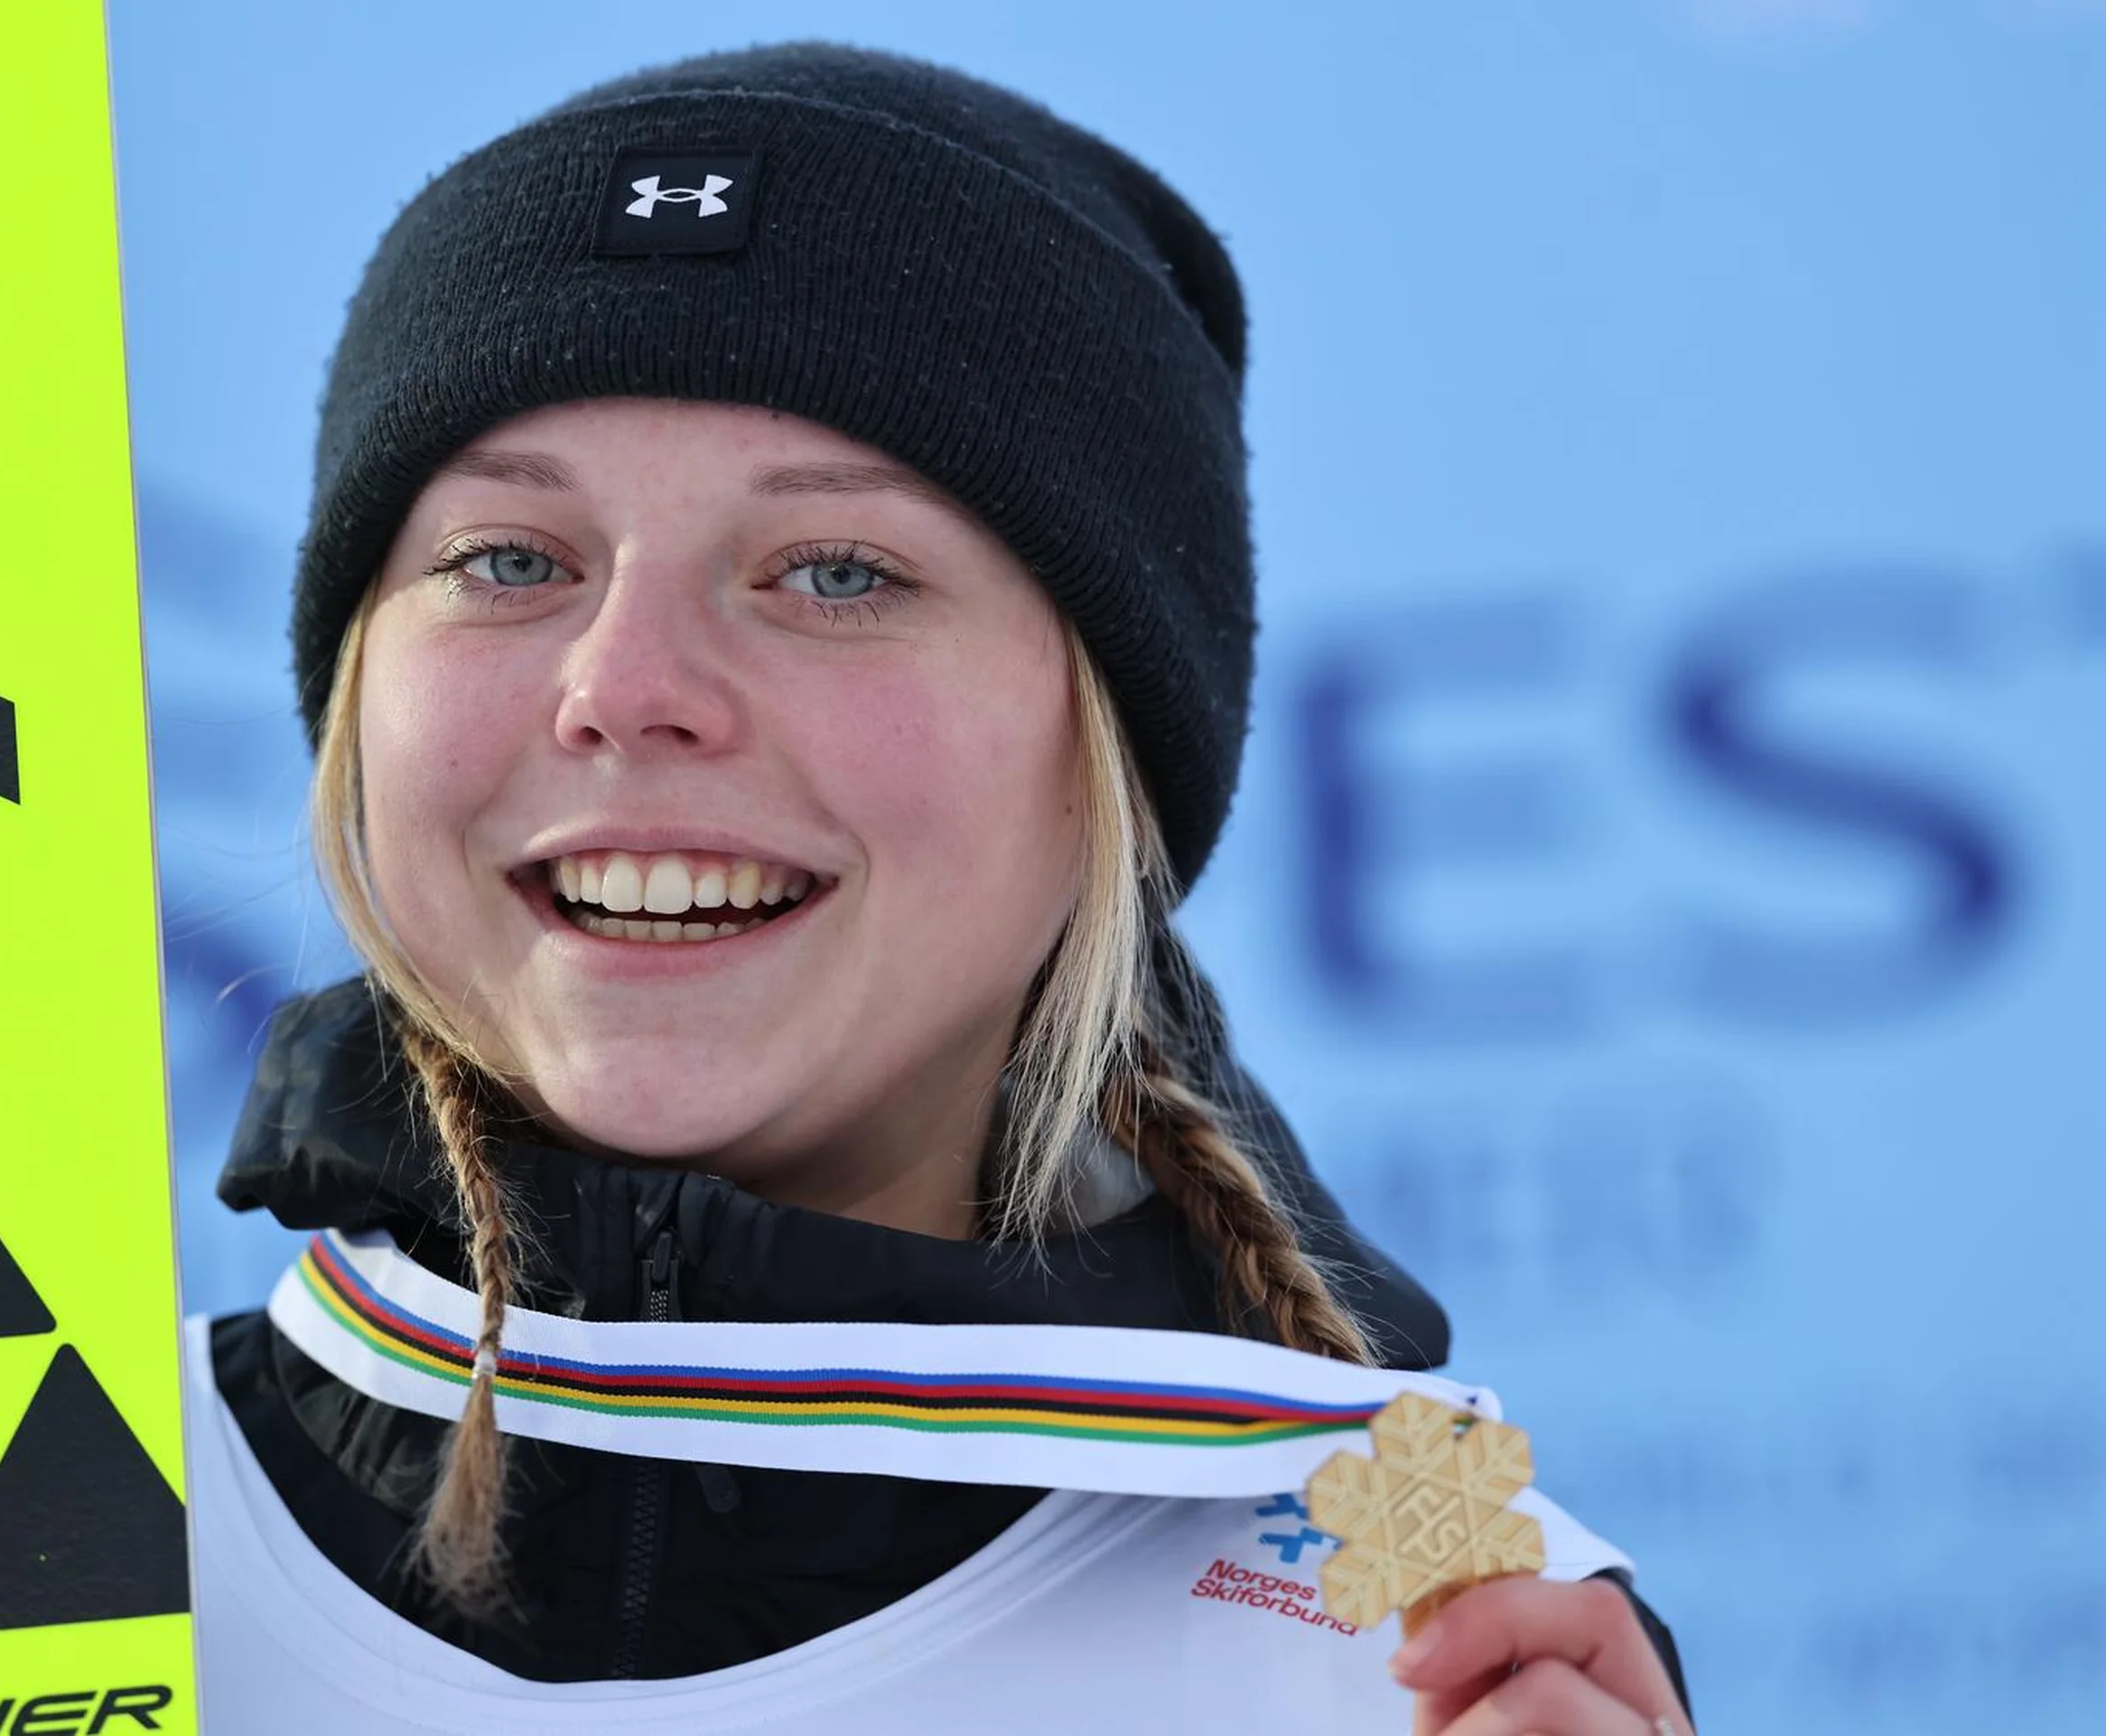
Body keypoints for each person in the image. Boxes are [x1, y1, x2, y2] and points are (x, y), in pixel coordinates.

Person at [187, 40, 1695, 1734]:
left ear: (1107, 752)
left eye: (837, 570)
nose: (624, 681)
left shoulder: (1424, 1642)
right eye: (509, 560)